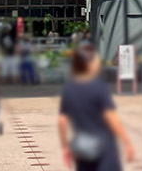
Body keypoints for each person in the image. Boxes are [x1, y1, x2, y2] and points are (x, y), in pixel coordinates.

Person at [58, 43, 136, 171]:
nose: (98, 63)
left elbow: (62, 121)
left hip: (83, 149)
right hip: (104, 149)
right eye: (95, 60)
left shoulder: (69, 89)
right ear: (88, 64)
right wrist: (126, 142)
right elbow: (111, 118)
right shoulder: (98, 87)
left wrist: (65, 147)